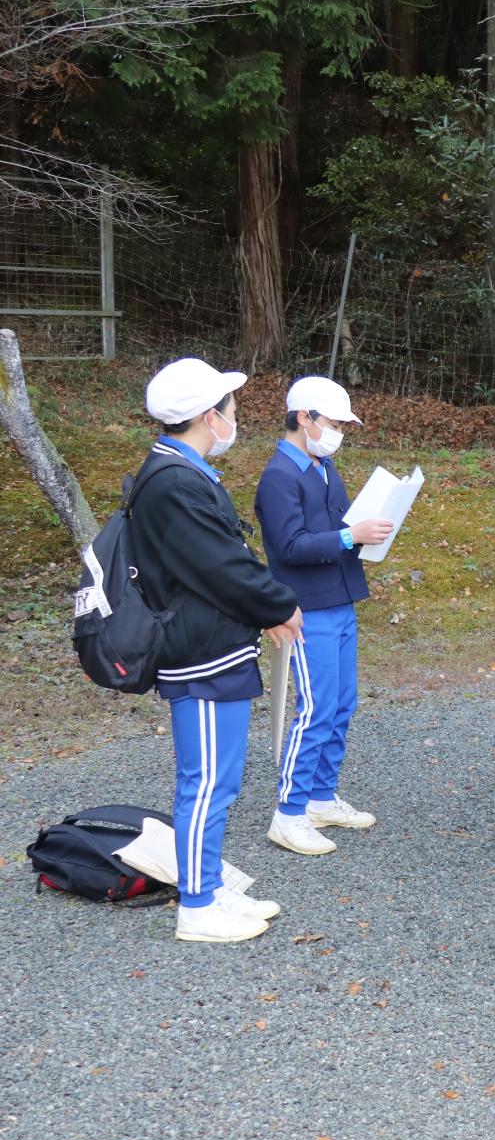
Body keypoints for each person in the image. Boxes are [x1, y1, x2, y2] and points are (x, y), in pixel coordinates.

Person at [129, 358, 303, 943]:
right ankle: (197, 904)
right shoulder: (175, 482)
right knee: (205, 780)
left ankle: (208, 881)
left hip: (216, 646)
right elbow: (222, 565)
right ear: (210, 416)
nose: (236, 417)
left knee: (221, 778)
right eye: (230, 408)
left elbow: (221, 562)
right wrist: (277, 605)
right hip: (197, 652)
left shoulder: (182, 471)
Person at [255, 376, 392, 856]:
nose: (338, 431)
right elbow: (289, 546)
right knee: (313, 710)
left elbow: (339, 527)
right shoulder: (279, 476)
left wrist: (363, 531)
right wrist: (351, 536)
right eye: (333, 422)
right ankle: (288, 813)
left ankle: (320, 796)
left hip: (340, 601)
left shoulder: (325, 467)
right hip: (306, 609)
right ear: (303, 418)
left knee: (341, 706)